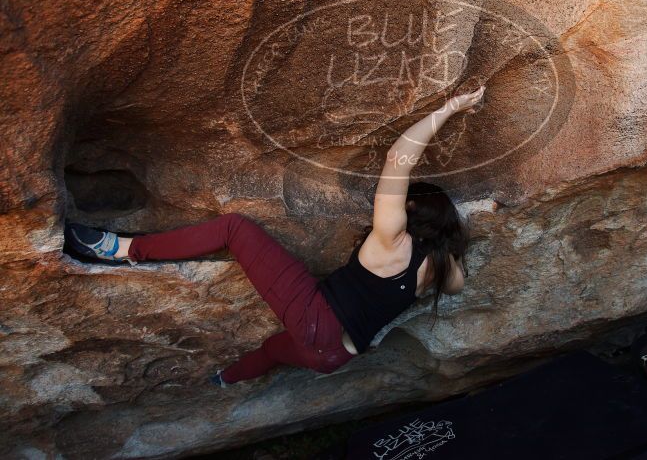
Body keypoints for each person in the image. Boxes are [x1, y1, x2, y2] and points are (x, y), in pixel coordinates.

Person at [64, 85, 485, 386]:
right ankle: (224, 379)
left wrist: (448, 108)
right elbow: (458, 276)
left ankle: (123, 248)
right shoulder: (442, 270)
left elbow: (399, 158)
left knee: (233, 227)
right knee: (269, 352)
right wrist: (463, 220)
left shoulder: (393, 238)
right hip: (333, 358)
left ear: (412, 209)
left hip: (314, 320)